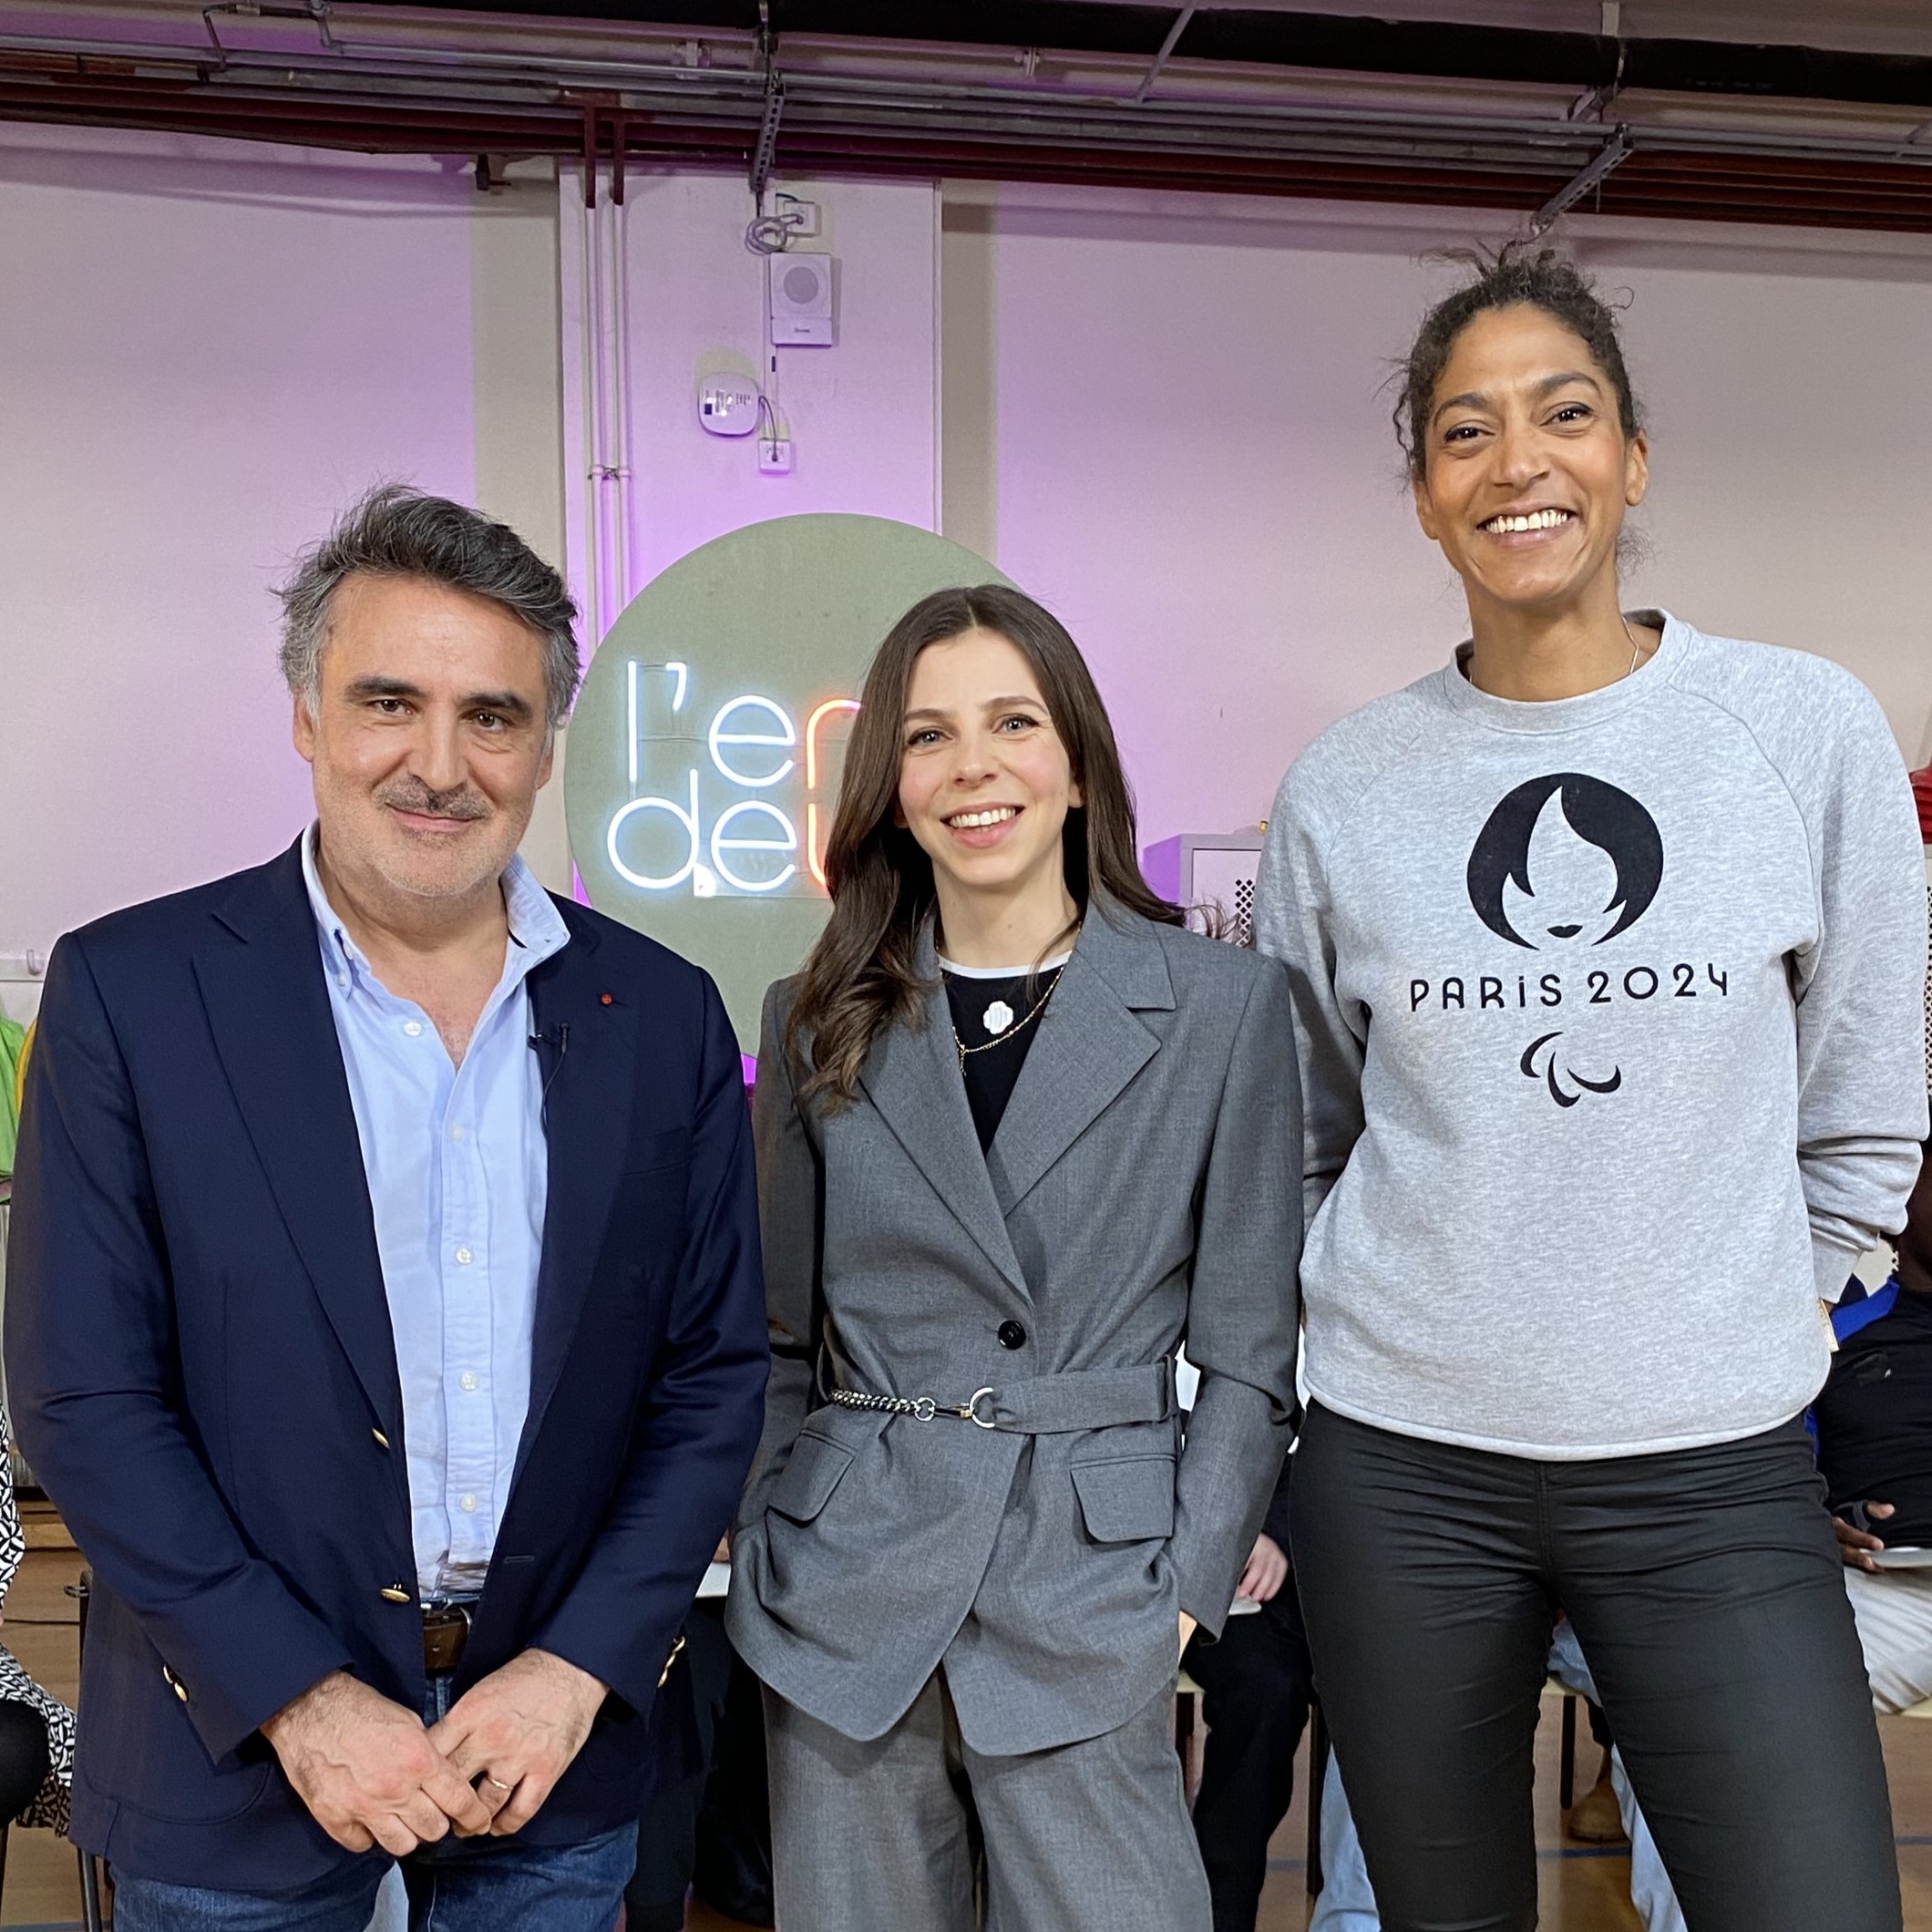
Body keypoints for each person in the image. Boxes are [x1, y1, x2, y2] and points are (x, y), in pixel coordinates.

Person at [1255, 245, 1928, 1932]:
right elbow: (1311, 1130)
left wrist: (1770, 1303)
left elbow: (1861, 1094)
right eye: (1465, 433)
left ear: (1632, 457)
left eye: (1564, 414)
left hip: (1712, 1464)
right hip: (1402, 1469)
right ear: (1423, 492)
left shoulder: (1795, 727)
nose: (1519, 464)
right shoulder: (1346, 787)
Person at [5, 486, 768, 1929]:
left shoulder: (661, 1016)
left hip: (545, 1752)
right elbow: (83, 1393)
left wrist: (575, 1671)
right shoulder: (133, 993)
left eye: (492, 714)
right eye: (387, 702)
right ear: (305, 715)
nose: (439, 763)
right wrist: (296, 1698)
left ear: (548, 743)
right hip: (232, 1748)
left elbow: (710, 1379)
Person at [727, 583, 1301, 1932]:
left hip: (1093, 1588)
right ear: (890, 785)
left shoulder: (1223, 1006)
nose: (972, 766)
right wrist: (769, 1535)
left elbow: (1247, 1357)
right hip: (845, 1591)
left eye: (1012, 721)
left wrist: (1183, 1599)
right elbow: (775, 1338)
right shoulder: (816, 1020)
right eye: (928, 736)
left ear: (1079, 761)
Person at [1182, 1462, 1306, 1932]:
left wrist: (1273, 1531)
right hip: (1187, 1529)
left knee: (1273, 1689)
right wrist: (1234, 1530)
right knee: (1265, 1689)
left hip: (1315, 1540)